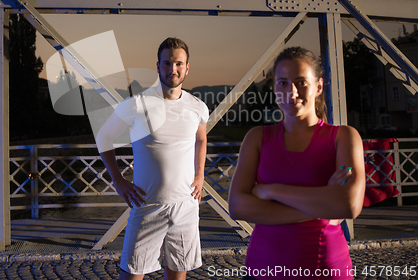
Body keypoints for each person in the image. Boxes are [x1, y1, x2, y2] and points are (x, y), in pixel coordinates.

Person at [229, 47, 365, 280]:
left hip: (326, 270)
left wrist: (269, 190)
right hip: (262, 270)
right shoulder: (257, 137)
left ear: (319, 86)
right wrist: (322, 204)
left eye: (301, 81)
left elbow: (348, 206)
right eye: (282, 82)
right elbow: (238, 207)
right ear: (274, 89)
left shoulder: (344, 137)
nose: (291, 90)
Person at [96, 37, 209, 280]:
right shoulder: (137, 104)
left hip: (185, 207)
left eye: (178, 63)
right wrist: (118, 180)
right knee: (132, 275)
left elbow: (201, 139)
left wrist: (200, 174)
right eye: (167, 63)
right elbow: (104, 137)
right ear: (157, 66)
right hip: (147, 206)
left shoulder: (197, 107)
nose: (173, 69)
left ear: (187, 67)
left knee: (177, 275)